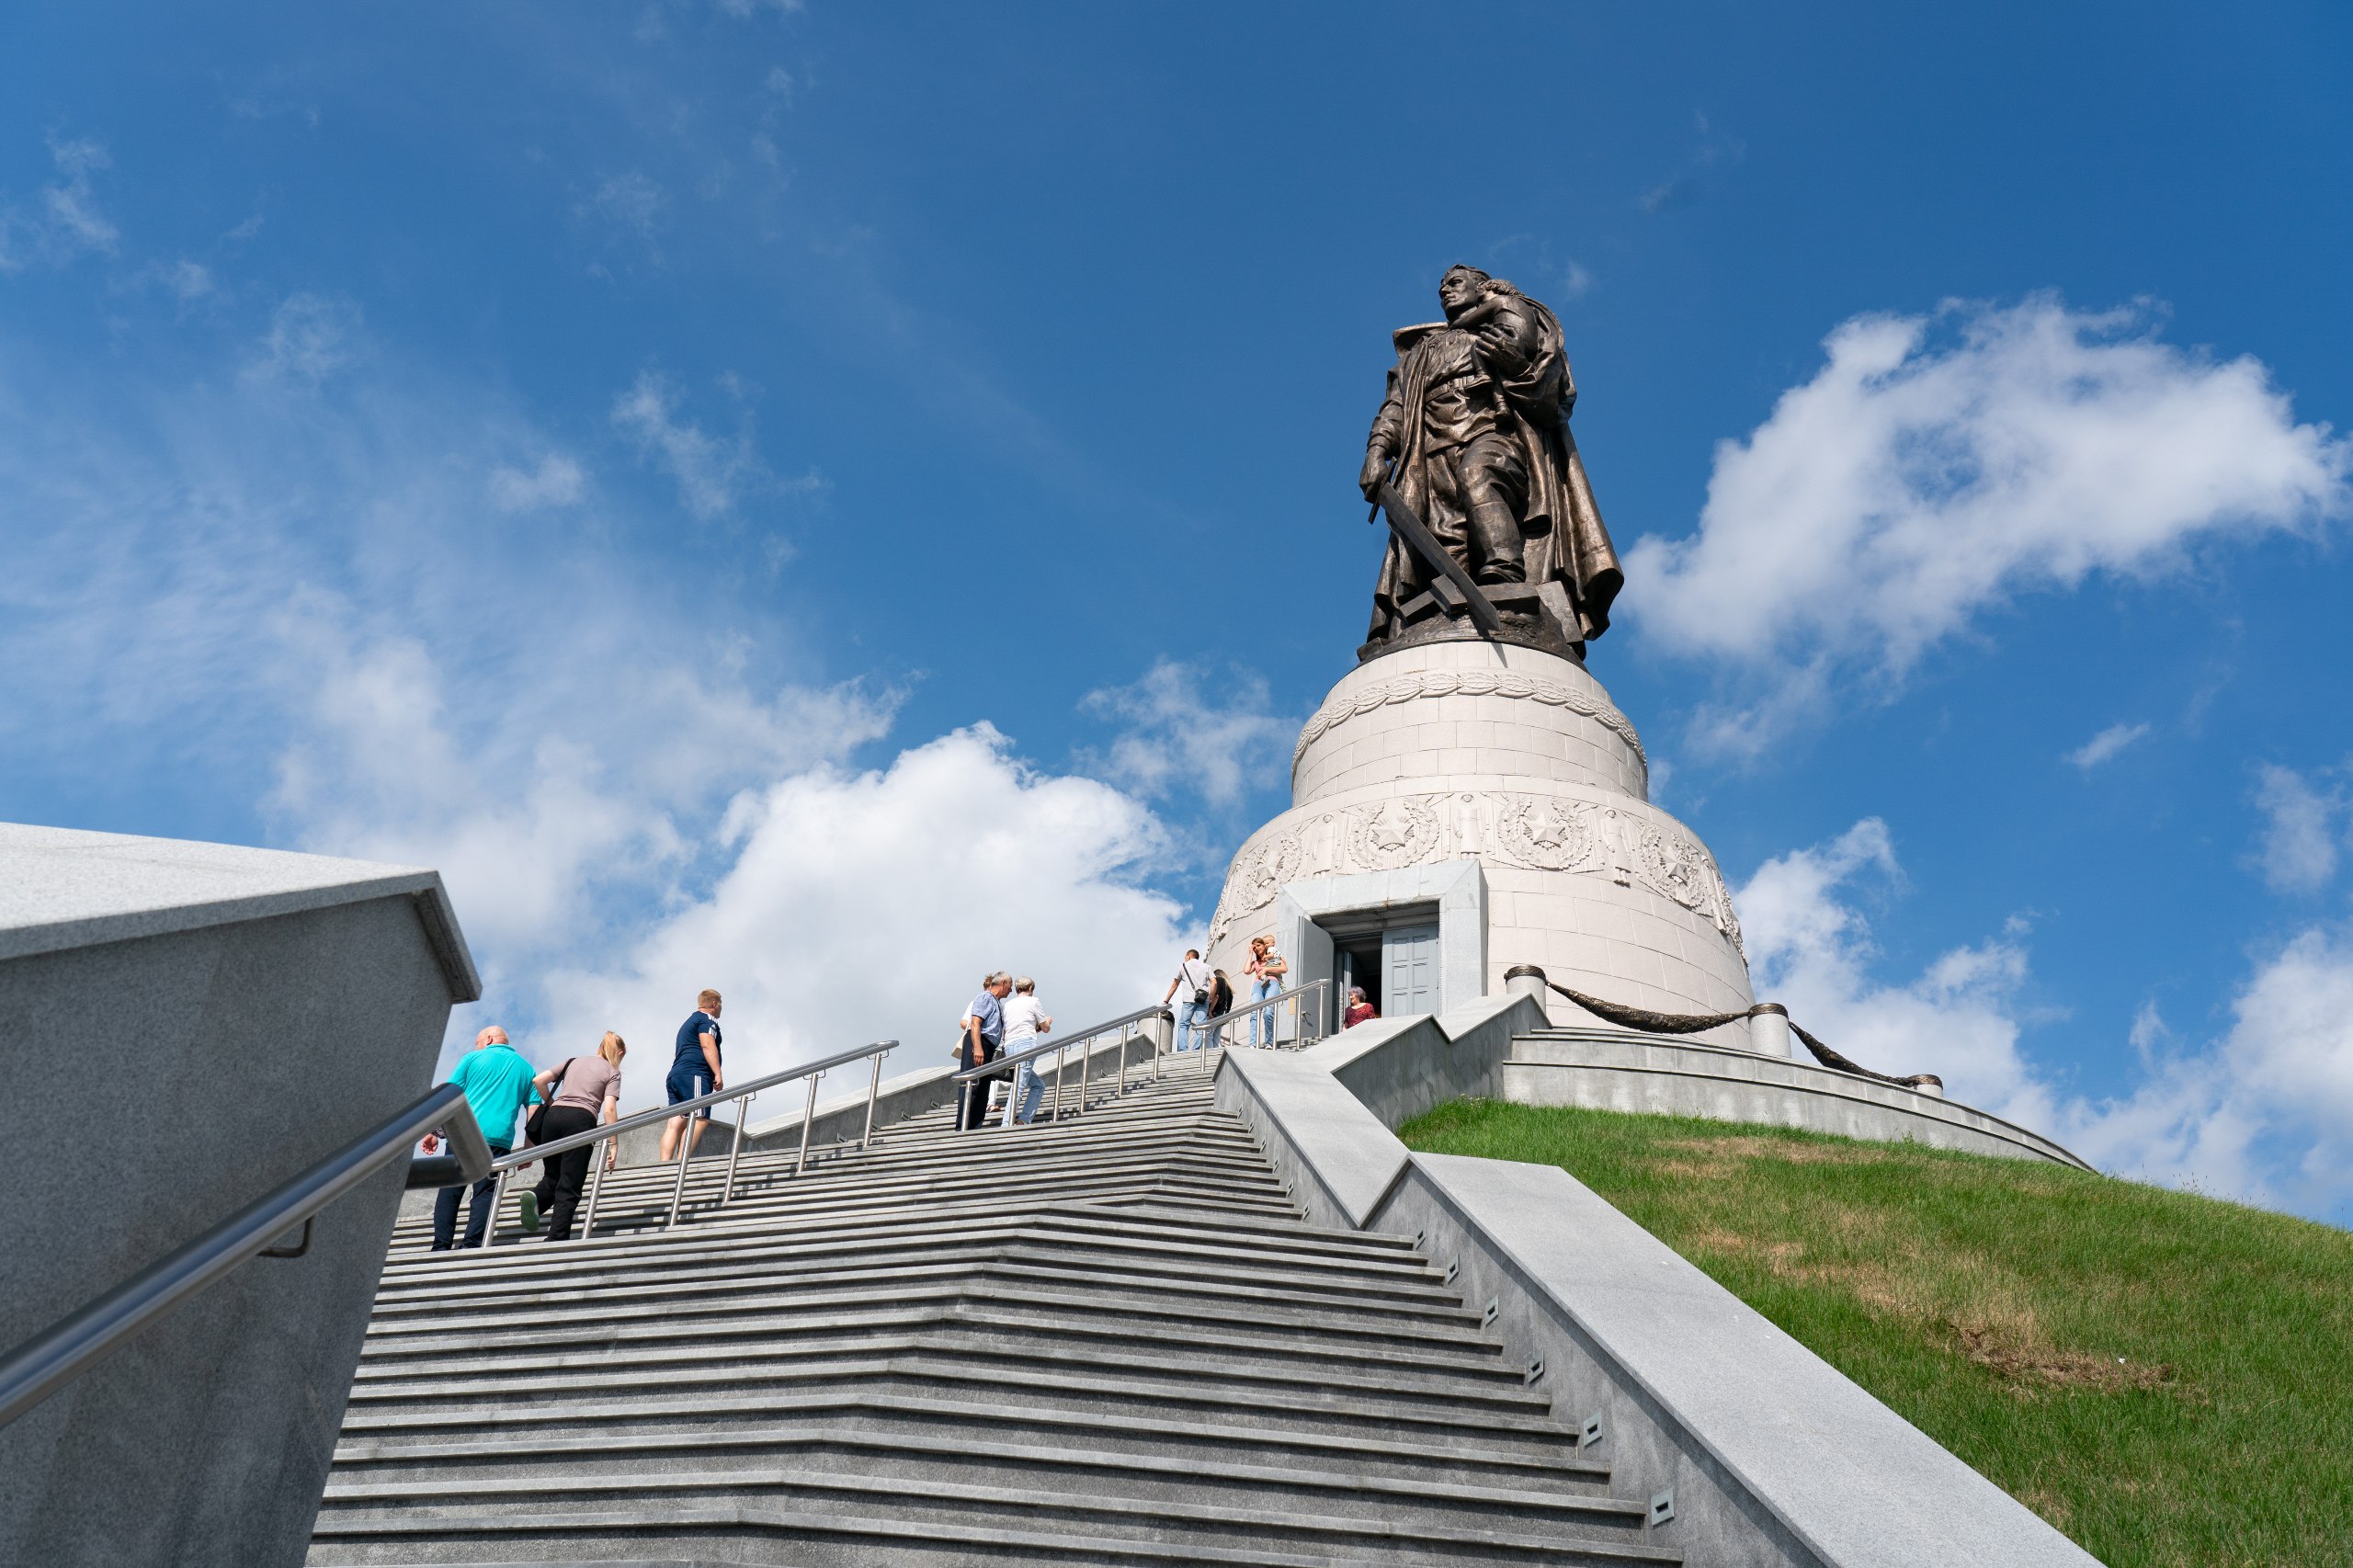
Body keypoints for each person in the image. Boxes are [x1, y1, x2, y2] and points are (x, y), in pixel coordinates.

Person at [432, 1026, 542, 1251]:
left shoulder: (472, 1059)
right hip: (499, 1140)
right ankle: (471, 1244)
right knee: (485, 1193)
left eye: (477, 1042)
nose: (476, 1046)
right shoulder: (526, 1068)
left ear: (489, 1039)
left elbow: (449, 1094)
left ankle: (441, 1245)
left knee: (450, 1191)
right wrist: (529, 1147)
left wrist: (432, 1132)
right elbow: (534, 1108)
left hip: (463, 1134)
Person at [524, 1031, 625, 1243]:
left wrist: (552, 1103)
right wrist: (614, 1143)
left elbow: (539, 1080)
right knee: (570, 1182)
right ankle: (556, 1238)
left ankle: (537, 1199)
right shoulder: (613, 1072)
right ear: (619, 1053)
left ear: (599, 1047)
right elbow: (609, 1109)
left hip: (553, 1117)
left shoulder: (573, 1061)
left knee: (553, 1175)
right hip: (581, 1119)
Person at [659, 989, 723, 1163]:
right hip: (695, 1074)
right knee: (700, 1118)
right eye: (720, 1004)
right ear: (714, 1004)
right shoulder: (706, 1020)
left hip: (676, 1076)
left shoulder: (689, 1021)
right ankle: (680, 1164)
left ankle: (663, 1165)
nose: (721, 1008)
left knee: (676, 1122)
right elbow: (707, 1045)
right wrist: (717, 1073)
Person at [956, 971, 1011, 1131]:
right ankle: (963, 1127)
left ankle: (975, 1127)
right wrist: (978, 1047)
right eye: (1010, 986)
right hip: (979, 1043)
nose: (1010, 990)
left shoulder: (997, 1002)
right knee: (971, 1085)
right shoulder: (985, 997)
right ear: (1003, 983)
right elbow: (975, 1023)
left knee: (983, 1088)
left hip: (989, 1046)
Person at [1000, 977, 1054, 1125]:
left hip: (1009, 1045)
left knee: (1038, 1085)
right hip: (1026, 1044)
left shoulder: (1008, 1005)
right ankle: (1006, 1124)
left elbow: (1006, 1030)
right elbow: (1045, 1028)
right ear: (1030, 988)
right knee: (1019, 1086)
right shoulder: (1034, 1001)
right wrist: (1048, 1022)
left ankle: (1024, 1120)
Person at [1162, 949, 1212, 1051]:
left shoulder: (1183, 966)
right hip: (1203, 1000)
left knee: (1184, 1025)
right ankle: (1196, 1050)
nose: (1185, 959)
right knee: (1201, 1025)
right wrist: (1210, 996)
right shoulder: (1207, 967)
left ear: (1189, 956)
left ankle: (1183, 1050)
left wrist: (1166, 1001)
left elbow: (1174, 985)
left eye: (1185, 957)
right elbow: (1214, 982)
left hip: (1188, 1000)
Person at [1243, 936, 1289, 1047]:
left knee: (1268, 1013)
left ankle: (1269, 1042)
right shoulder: (1256, 962)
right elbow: (1246, 971)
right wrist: (1250, 954)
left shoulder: (1275, 956)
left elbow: (1284, 969)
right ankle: (1253, 1043)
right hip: (1258, 985)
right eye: (1254, 947)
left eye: (1258, 945)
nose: (1256, 948)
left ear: (1264, 945)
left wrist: (1267, 969)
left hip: (1272, 983)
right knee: (1254, 1013)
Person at [1209, 969, 1235, 1049]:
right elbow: (1229, 1003)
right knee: (1216, 1037)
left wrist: (1210, 1010)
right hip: (1223, 1014)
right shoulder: (1229, 987)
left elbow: (1216, 996)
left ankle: (1209, 1054)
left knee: (1208, 1035)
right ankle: (1217, 1053)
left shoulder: (1218, 980)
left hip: (1216, 1012)